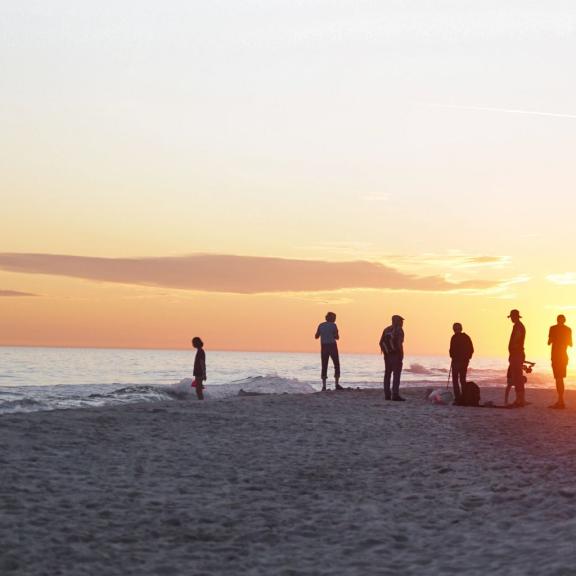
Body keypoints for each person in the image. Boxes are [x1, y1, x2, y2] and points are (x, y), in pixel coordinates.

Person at [548, 315, 572, 409]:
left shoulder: (553, 328)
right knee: (560, 378)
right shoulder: (568, 329)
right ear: (564, 320)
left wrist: (555, 338)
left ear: (557, 320)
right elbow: (571, 344)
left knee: (558, 378)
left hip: (556, 356)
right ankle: (560, 400)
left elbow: (549, 342)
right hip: (563, 356)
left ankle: (560, 401)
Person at [379, 315, 406, 401]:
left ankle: (387, 395)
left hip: (387, 355)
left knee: (387, 374)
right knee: (396, 375)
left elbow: (380, 342)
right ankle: (395, 395)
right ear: (397, 321)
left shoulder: (386, 329)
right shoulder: (399, 330)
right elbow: (399, 342)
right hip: (396, 355)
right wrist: (398, 353)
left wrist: (387, 351)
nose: (402, 323)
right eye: (401, 321)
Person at [315, 312, 342, 391]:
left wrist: (323, 334)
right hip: (332, 345)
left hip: (324, 346)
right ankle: (336, 384)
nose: (335, 319)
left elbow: (316, 336)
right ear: (330, 318)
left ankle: (324, 386)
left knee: (324, 365)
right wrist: (333, 335)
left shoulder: (321, 325)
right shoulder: (333, 325)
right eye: (334, 317)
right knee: (336, 364)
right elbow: (337, 337)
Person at [449, 323, 474, 404]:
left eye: (455, 329)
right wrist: (468, 358)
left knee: (456, 380)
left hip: (457, 361)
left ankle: (458, 398)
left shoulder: (454, 337)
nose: (455, 330)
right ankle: (463, 397)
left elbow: (451, 350)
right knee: (462, 380)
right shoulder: (466, 337)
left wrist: (452, 356)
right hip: (462, 361)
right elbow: (471, 349)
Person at [507, 309, 526, 407]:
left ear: (515, 317)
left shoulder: (518, 326)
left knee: (517, 377)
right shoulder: (519, 326)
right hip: (517, 353)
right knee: (517, 377)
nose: (511, 319)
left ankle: (520, 399)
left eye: (512, 317)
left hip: (516, 354)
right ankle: (520, 398)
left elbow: (516, 340)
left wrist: (512, 352)